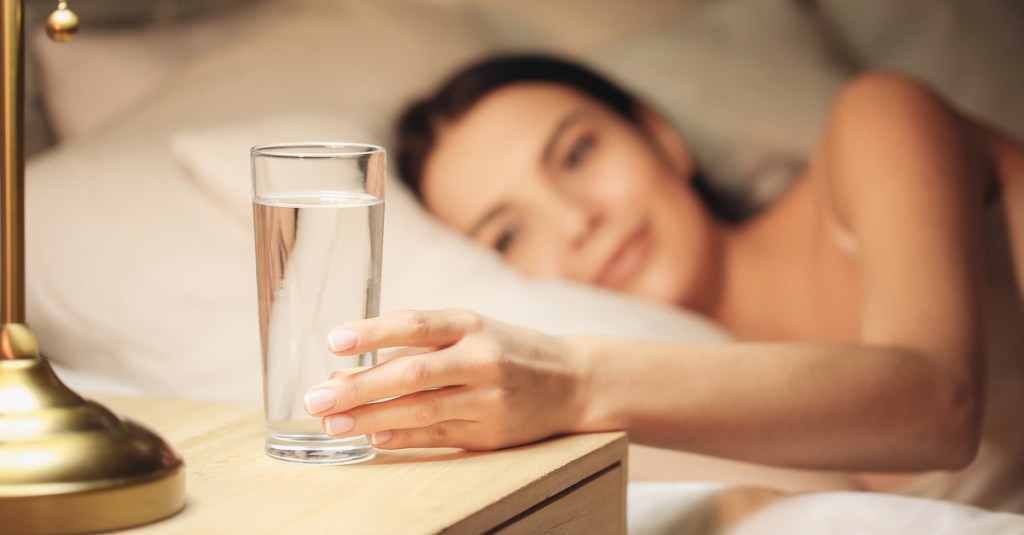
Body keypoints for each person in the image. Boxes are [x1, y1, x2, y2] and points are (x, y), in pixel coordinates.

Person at [302, 55, 1024, 507]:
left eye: (577, 153)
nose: (577, 219)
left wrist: (573, 381)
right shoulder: (691, 435)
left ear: (661, 136)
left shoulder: (878, 121)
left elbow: (939, 403)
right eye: (510, 233)